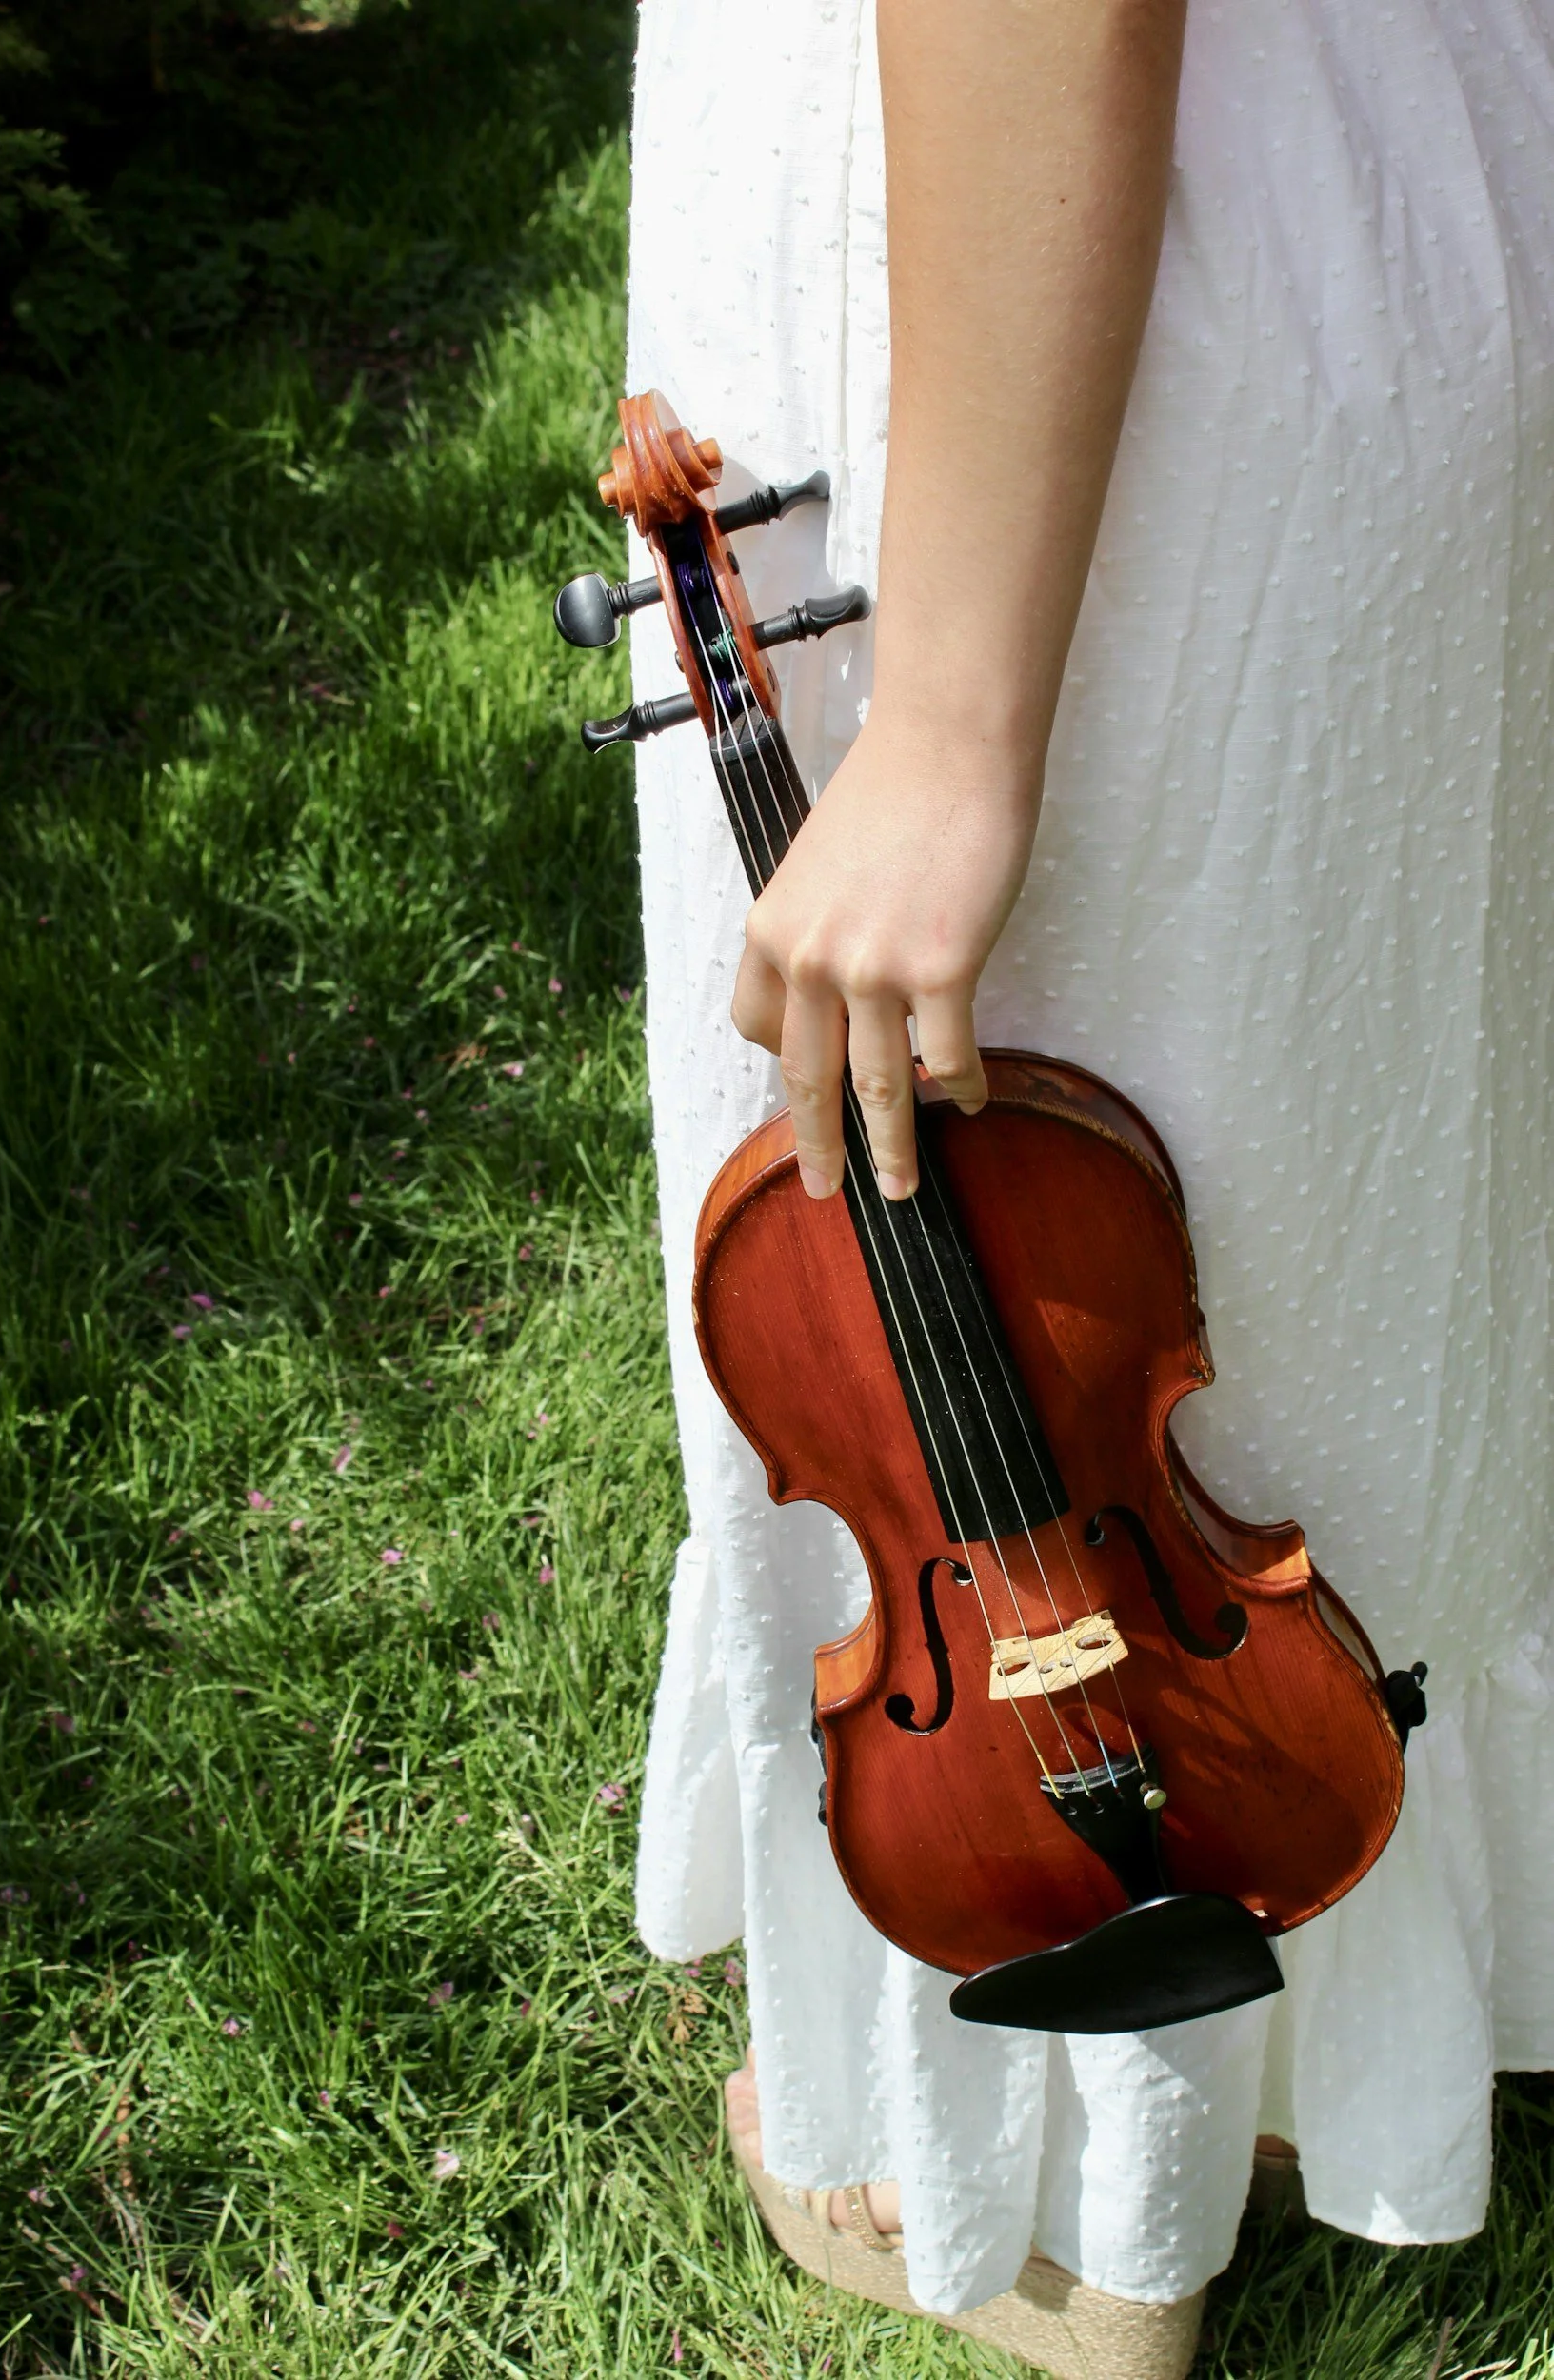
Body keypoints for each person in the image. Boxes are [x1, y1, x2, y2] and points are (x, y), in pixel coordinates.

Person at [622, 0, 1554, 2370]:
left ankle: (1081, 2220)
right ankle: (1280, 2058)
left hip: (1048, 322)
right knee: (1320, 1167)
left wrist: (938, 718)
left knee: (1026, 1189)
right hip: (1376, 182)